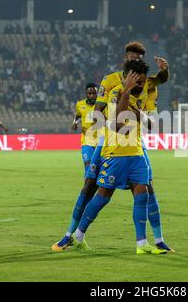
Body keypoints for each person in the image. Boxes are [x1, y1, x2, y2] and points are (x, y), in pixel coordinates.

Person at [52, 43, 173, 253]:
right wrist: (116, 126)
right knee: (91, 187)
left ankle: (157, 240)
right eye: (131, 57)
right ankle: (69, 235)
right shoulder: (110, 81)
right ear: (125, 59)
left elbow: (159, 87)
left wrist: (165, 70)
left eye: (138, 58)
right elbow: (98, 113)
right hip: (107, 142)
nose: (134, 60)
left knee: (147, 188)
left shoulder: (146, 83)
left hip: (135, 143)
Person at [72, 83, 98, 172]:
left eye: (94, 93)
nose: (92, 96)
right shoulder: (80, 105)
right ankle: (88, 185)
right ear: (86, 94)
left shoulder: (102, 104)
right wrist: (75, 122)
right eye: (89, 94)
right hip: (87, 140)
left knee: (100, 166)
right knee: (88, 164)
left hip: (101, 140)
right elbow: (78, 116)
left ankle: (99, 185)